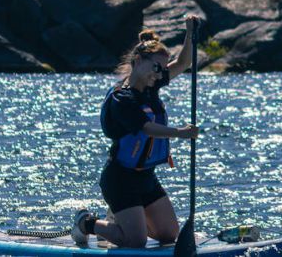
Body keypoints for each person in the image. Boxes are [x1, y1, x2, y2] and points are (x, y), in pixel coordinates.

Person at [71, 15, 201, 248]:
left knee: (169, 235)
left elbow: (183, 63)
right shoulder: (123, 98)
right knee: (135, 241)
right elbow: (148, 128)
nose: (160, 73)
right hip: (120, 179)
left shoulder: (153, 83)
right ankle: (86, 223)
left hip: (146, 177)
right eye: (156, 67)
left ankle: (118, 221)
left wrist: (190, 33)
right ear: (138, 61)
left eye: (162, 68)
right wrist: (181, 133)